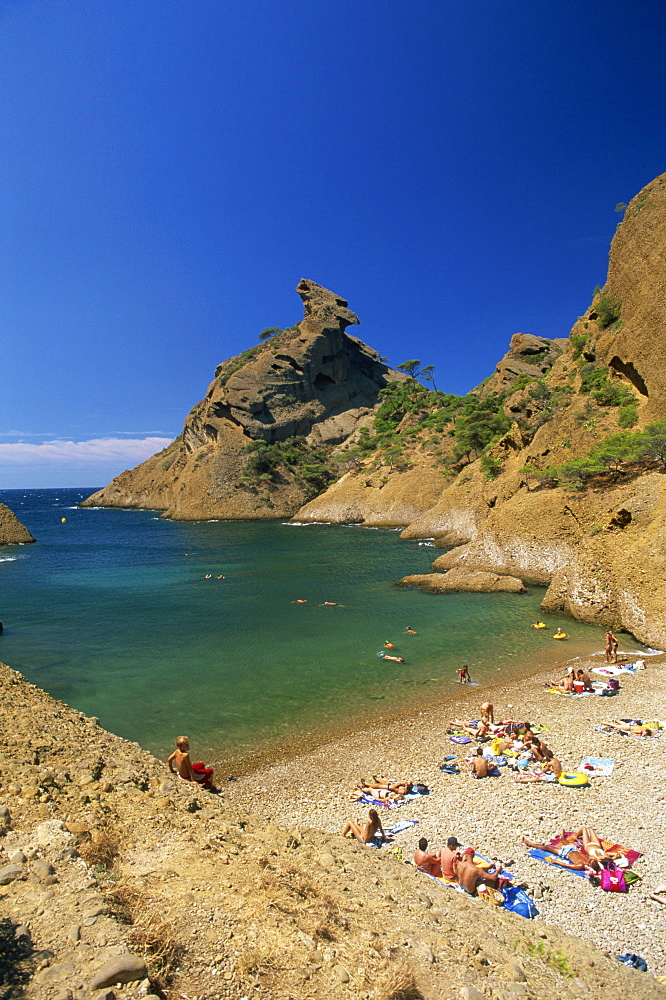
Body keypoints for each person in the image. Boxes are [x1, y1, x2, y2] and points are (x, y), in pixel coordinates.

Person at [521, 836, 601, 873]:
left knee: (547, 847)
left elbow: (566, 865)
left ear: (589, 865)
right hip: (573, 849)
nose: (589, 859)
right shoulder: (590, 859)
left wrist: (555, 861)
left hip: (565, 853)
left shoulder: (580, 865)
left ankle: (529, 844)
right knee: (568, 843)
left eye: (589, 861)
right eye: (591, 860)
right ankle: (563, 839)